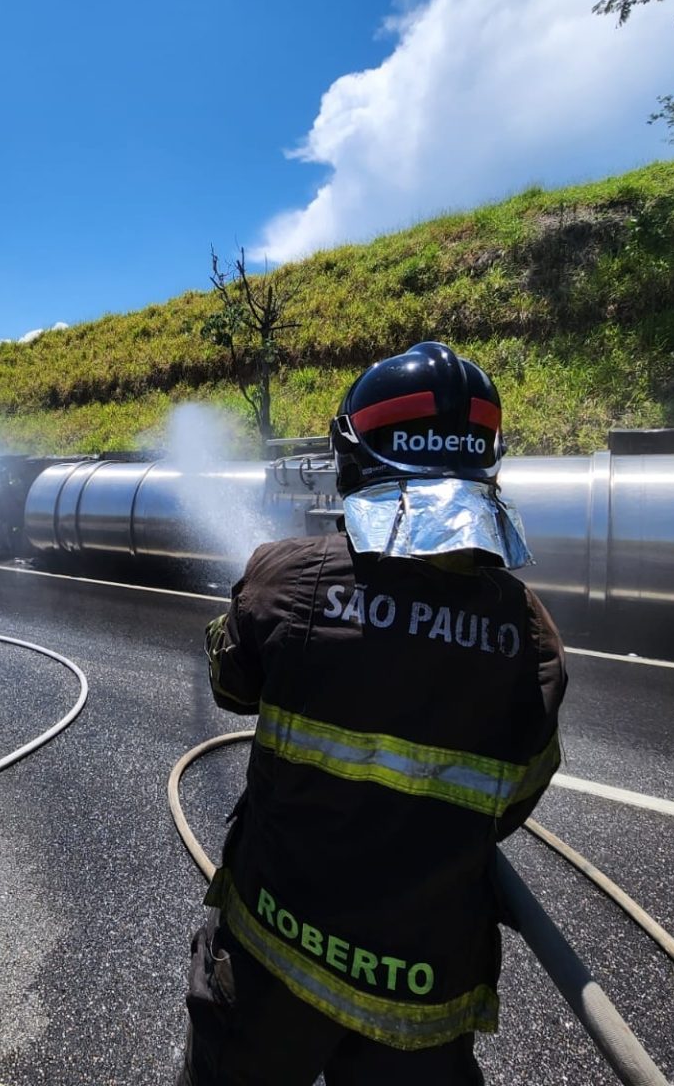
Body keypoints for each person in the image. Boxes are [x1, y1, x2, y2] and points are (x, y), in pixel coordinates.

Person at [177, 342, 567, 1086]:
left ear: (355, 459)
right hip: (420, 998)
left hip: (273, 961)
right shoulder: (531, 631)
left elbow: (231, 685)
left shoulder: (288, 576)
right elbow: (514, 799)